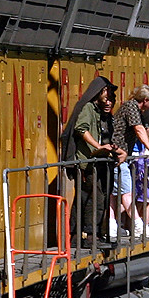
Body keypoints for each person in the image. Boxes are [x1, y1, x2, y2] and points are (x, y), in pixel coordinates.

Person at [61, 76, 118, 249]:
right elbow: (81, 128)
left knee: (96, 198)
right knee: (92, 199)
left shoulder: (104, 115)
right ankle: (87, 235)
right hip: (88, 163)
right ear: (99, 93)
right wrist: (98, 146)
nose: (109, 101)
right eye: (107, 96)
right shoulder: (88, 108)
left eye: (112, 99)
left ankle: (90, 234)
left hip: (100, 162)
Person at [110, 85, 149, 238]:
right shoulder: (131, 106)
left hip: (122, 154)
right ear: (145, 100)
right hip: (118, 154)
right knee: (126, 191)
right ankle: (139, 226)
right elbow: (138, 129)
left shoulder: (137, 110)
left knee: (115, 193)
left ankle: (111, 225)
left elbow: (145, 128)